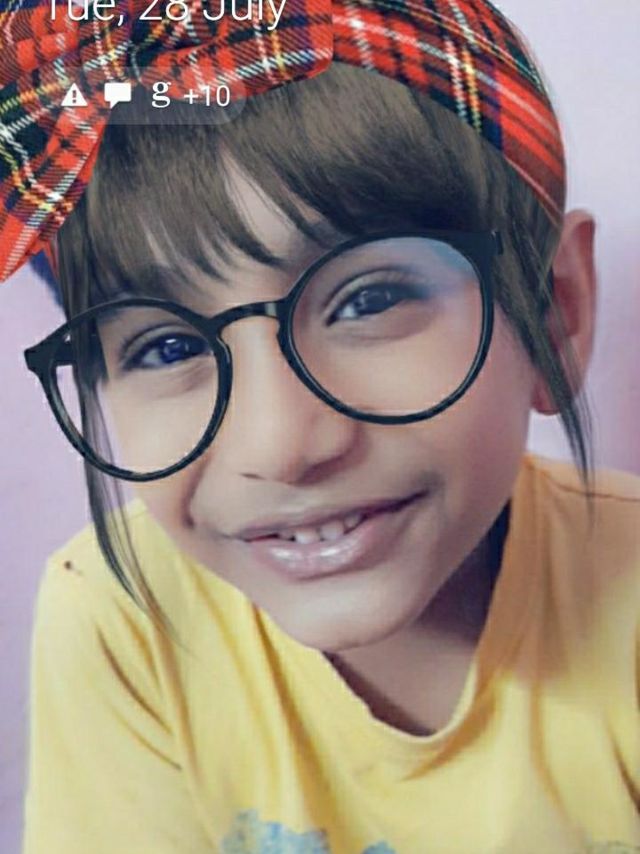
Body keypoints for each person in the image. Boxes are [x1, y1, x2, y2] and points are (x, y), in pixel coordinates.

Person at [1, 0, 638, 851]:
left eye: (368, 300)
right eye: (166, 347)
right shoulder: (122, 617)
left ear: (555, 312)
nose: (280, 447)